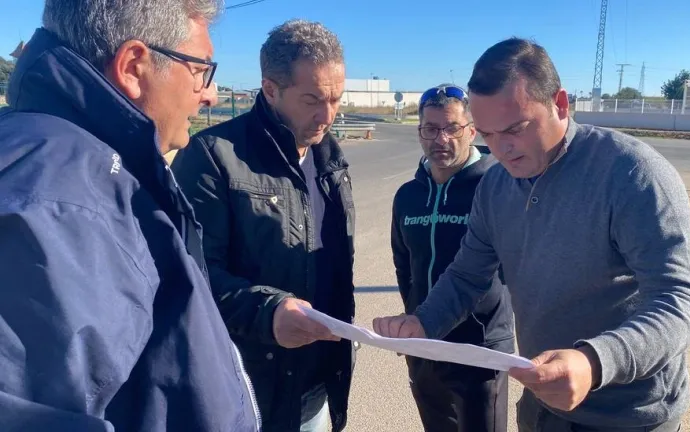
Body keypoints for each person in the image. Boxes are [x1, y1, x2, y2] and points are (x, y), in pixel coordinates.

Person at [373, 37, 690, 432]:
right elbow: (467, 275)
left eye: (515, 129)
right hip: (543, 405)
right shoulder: (495, 186)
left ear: (560, 104)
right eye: (487, 134)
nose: (501, 149)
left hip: (632, 414)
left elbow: (682, 303)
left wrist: (594, 362)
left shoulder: (631, 175)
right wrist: (423, 322)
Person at [0, 1, 261, 431]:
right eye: (200, 70)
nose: (210, 94)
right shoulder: (64, 206)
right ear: (134, 67)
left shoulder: (84, 162)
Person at [171, 19, 355, 432]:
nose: (327, 115)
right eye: (312, 99)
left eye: (336, 99)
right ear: (271, 90)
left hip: (316, 384)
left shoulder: (331, 160)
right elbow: (190, 275)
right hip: (246, 392)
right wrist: (268, 313)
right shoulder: (213, 157)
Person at [390, 83, 515, 432]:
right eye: (430, 129)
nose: (440, 139)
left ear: (472, 131)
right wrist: (414, 317)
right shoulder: (408, 196)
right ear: (419, 132)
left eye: (452, 128)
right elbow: (404, 266)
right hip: (424, 344)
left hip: (480, 348)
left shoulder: (497, 188)